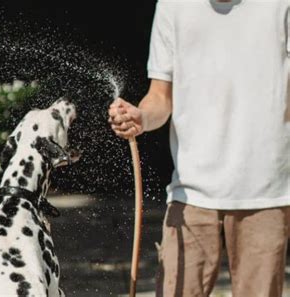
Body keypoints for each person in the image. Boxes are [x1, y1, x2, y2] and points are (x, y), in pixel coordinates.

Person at [108, 0, 290, 296]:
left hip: (266, 190)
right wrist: (140, 118)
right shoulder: (171, 6)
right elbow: (160, 98)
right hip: (191, 190)